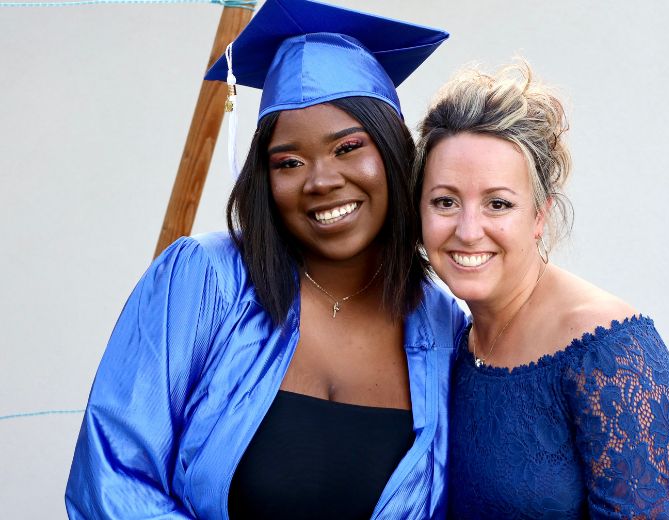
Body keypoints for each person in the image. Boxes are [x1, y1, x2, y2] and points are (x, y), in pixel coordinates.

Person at [64, 1, 466, 519]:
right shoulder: (203, 280)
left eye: (348, 147)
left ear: (393, 152)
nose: (321, 180)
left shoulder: (445, 329)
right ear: (265, 178)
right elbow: (113, 479)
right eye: (289, 162)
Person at [415, 61, 669, 519]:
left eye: (498, 203)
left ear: (540, 215)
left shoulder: (609, 351)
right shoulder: (454, 342)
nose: (468, 230)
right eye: (445, 201)